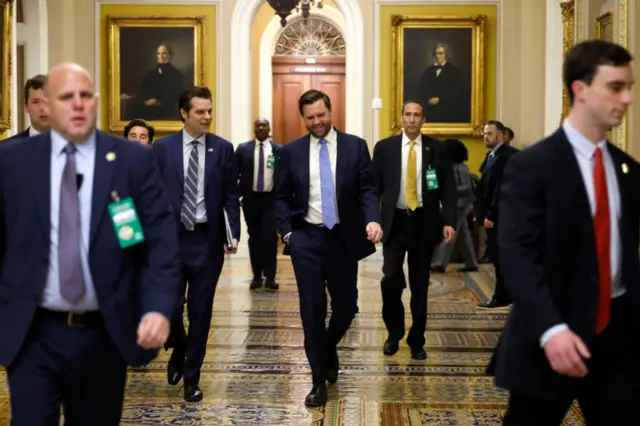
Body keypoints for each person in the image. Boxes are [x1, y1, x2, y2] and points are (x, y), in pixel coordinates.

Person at [0, 63, 180, 425]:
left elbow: (159, 242)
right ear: (48, 104)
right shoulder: (12, 162)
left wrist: (158, 308)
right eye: (67, 97)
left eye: (86, 96)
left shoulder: (131, 160)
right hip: (33, 333)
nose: (78, 104)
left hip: (104, 333)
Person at [489, 40, 640, 425]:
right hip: (550, 335)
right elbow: (517, 254)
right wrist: (551, 329)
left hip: (617, 338)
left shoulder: (626, 170)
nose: (626, 98)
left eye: (629, 87)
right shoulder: (532, 166)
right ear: (580, 89)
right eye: (615, 87)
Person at [275, 89, 382, 407]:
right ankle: (317, 381)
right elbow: (280, 196)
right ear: (303, 118)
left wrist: (372, 220)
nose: (317, 122)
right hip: (306, 239)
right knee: (312, 310)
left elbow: (368, 189)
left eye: (321, 115)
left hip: (344, 238)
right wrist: (288, 233)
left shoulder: (355, 146)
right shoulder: (291, 152)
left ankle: (327, 346)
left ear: (330, 111)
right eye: (310, 117)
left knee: (347, 306)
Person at [153, 86, 240, 402]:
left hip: (206, 241)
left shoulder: (223, 149)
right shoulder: (162, 149)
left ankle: (192, 377)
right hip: (171, 241)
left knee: (201, 311)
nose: (207, 116)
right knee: (169, 307)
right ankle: (180, 347)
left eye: (210, 110)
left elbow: (230, 196)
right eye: (201, 111)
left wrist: (233, 233)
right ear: (184, 113)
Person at [372, 101, 456, 361]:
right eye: (407, 114)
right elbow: (373, 189)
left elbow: (448, 189)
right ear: (400, 118)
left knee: (420, 286)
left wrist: (449, 221)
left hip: (424, 223)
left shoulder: (436, 149)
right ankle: (394, 333)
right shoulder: (384, 148)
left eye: (416, 115)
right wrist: (372, 220)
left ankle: (417, 339)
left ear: (423, 119)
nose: (411, 119)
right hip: (395, 223)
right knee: (391, 279)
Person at [235, 118, 282, 290]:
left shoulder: (278, 150)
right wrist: (239, 197)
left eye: (264, 125)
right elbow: (234, 173)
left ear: (269, 128)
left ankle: (270, 277)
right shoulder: (243, 149)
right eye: (258, 126)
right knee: (254, 238)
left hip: (270, 200)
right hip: (251, 200)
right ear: (254, 129)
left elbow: (283, 177)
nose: (261, 128)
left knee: (269, 237)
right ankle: (256, 276)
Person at [476, 120, 518, 309]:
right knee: (497, 258)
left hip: (502, 217)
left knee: (502, 259)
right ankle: (504, 294)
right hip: (491, 214)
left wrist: (491, 215)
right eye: (485, 133)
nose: (485, 137)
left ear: (500, 136)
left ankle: (502, 295)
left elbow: (501, 189)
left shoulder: (507, 156)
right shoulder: (491, 155)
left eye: (489, 134)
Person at [431, 138, 478, 272]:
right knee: (462, 233)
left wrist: (446, 190)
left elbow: (467, 188)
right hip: (454, 203)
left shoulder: (461, 168)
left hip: (461, 204)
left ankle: (439, 262)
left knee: (449, 231)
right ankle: (472, 263)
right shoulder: (447, 166)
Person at [7, 74, 50, 141]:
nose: (42, 108)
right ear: (26, 107)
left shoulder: (71, 145)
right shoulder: (6, 148)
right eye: (36, 102)